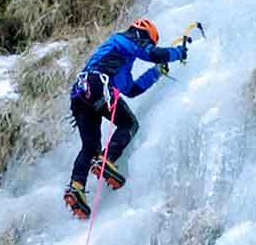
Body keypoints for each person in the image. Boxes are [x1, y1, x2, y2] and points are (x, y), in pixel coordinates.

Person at [64, 17, 189, 219]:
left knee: (89, 146)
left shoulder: (120, 61)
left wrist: (156, 72)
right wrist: (178, 53)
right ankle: (107, 159)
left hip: (80, 95)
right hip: (98, 85)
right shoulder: (124, 39)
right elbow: (153, 53)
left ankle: (76, 188)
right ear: (142, 33)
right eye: (148, 40)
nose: (147, 44)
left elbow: (131, 89)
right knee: (129, 123)